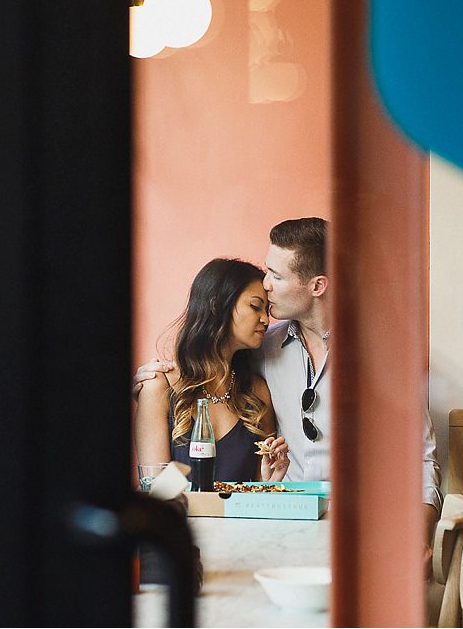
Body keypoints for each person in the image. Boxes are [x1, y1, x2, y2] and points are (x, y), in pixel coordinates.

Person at [133, 218, 441, 577]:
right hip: (277, 535)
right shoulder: (263, 348)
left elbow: (421, 459)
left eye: (275, 277)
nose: (266, 287)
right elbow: (162, 487)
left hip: (362, 531)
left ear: (317, 285)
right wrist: (154, 380)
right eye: (256, 300)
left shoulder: (382, 355)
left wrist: (418, 536)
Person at [134, 257, 289, 483]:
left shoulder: (257, 392)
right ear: (217, 306)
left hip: (244, 520)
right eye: (255, 306)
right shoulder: (158, 387)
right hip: (181, 519)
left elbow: (257, 496)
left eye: (267, 310)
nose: (265, 319)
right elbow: (156, 493)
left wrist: (269, 481)